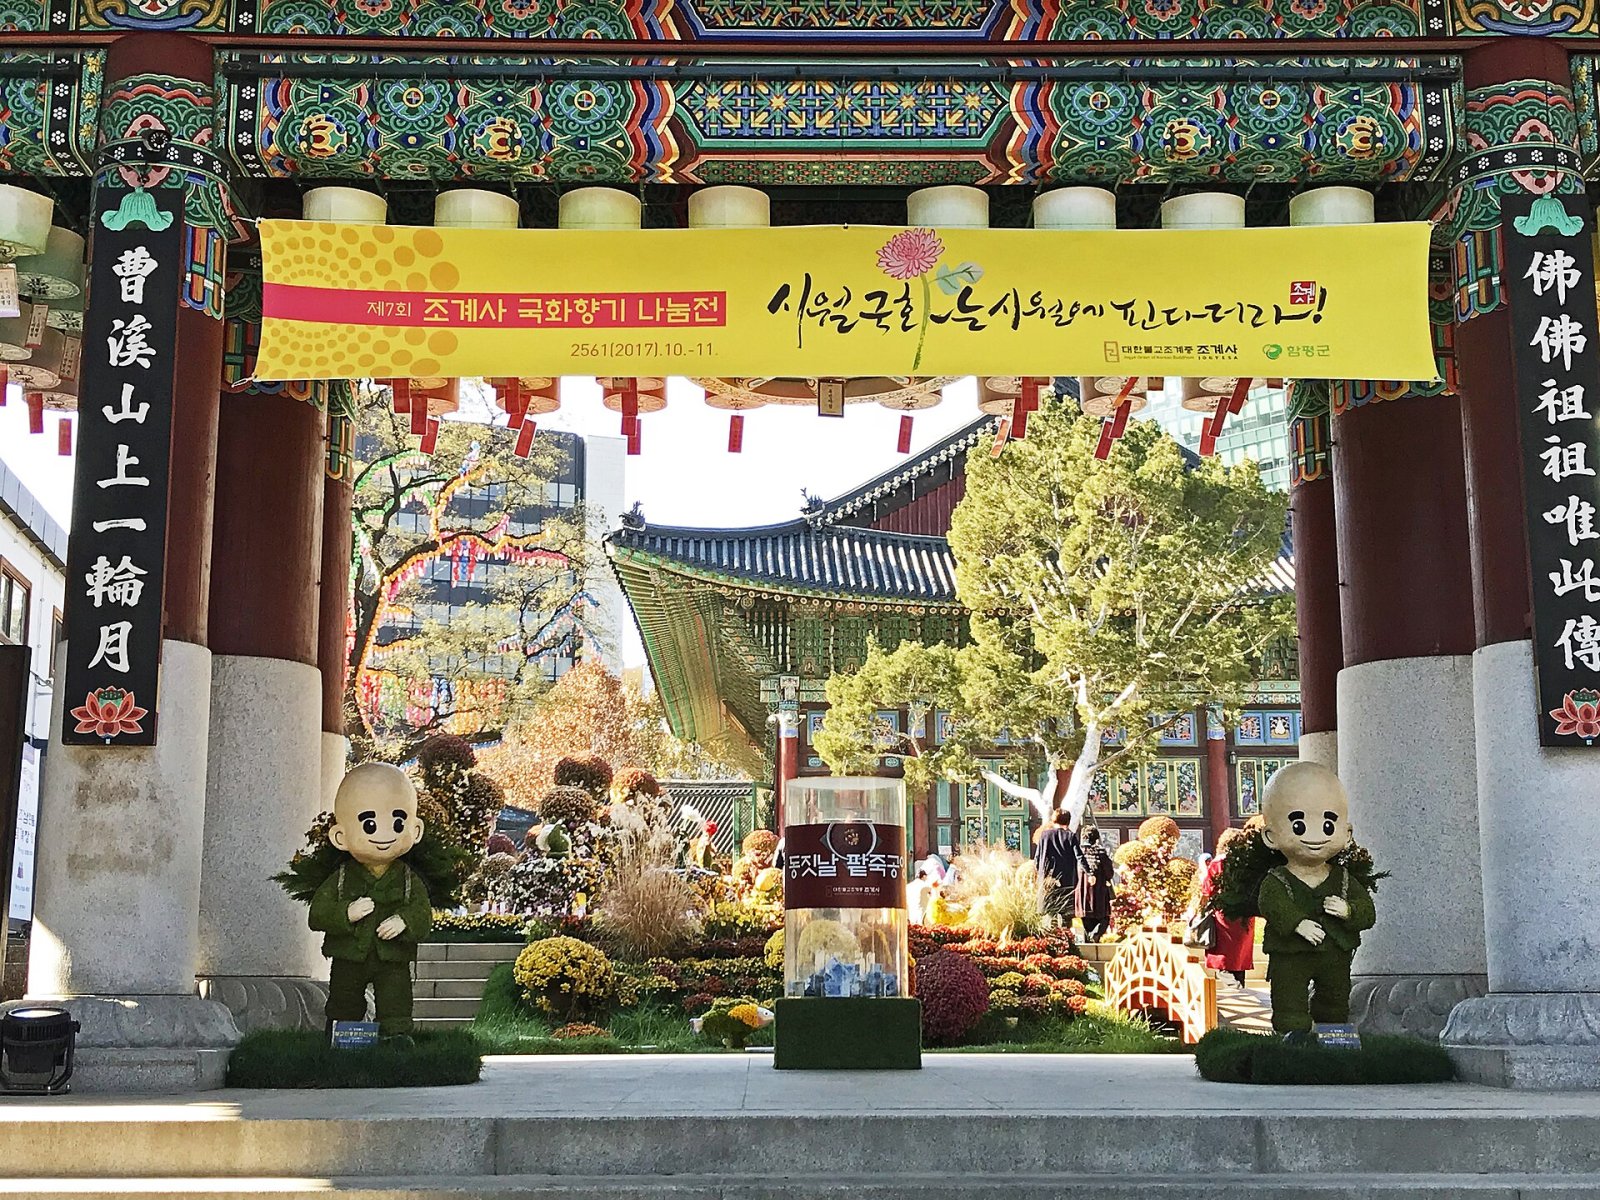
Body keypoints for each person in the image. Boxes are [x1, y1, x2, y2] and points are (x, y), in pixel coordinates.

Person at [1200, 827, 1256, 987]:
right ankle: (1240, 987)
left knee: (1223, 959)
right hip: (1246, 915)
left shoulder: (1218, 863)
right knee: (1239, 958)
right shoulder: (1249, 864)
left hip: (1224, 915)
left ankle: (1234, 988)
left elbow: (1208, 889)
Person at [1032, 809, 1080, 927]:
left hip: (1048, 879)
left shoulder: (1045, 835)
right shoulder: (1071, 836)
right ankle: (1066, 933)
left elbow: (1038, 857)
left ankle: (1053, 933)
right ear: (1068, 821)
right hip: (1067, 879)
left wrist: (1040, 874)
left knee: (1050, 910)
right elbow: (1079, 856)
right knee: (1066, 912)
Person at [1074, 825, 1115, 942]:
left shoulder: (1077, 852)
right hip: (1099, 895)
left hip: (1081, 895)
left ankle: (1088, 939)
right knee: (1104, 919)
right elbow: (1109, 873)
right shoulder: (1100, 852)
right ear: (1096, 838)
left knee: (1085, 921)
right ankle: (1095, 936)